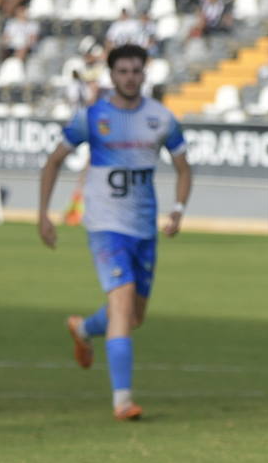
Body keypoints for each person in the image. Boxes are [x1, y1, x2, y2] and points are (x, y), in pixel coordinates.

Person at [36, 43, 193, 421]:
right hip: (106, 226)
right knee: (122, 303)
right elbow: (54, 162)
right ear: (111, 75)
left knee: (133, 316)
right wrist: (42, 214)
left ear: (144, 74)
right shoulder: (92, 117)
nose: (129, 77)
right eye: (122, 71)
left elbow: (185, 168)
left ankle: (84, 327)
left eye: (136, 71)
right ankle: (122, 400)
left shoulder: (161, 118)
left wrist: (178, 210)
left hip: (144, 227)